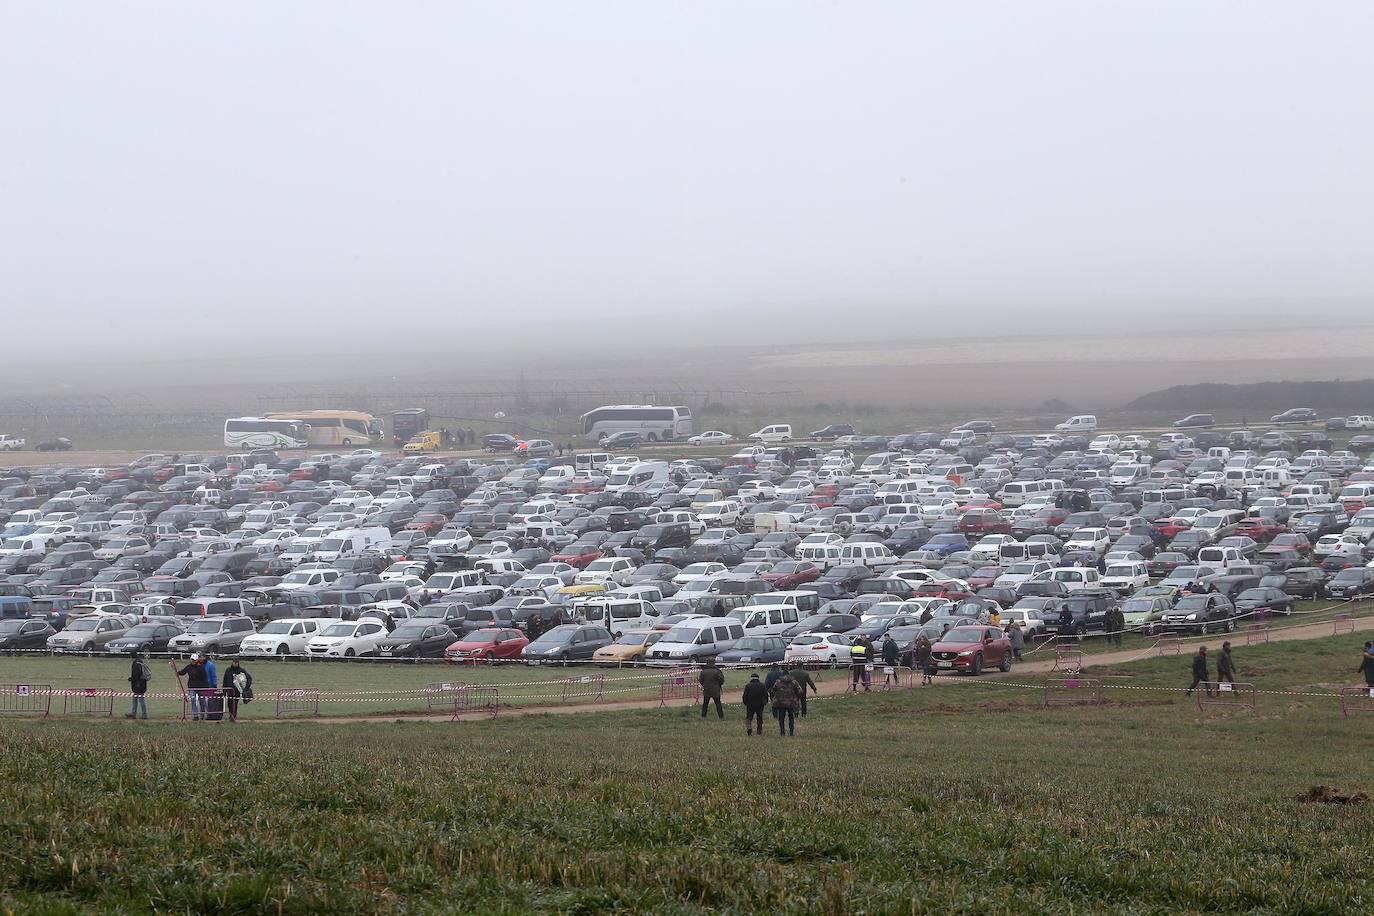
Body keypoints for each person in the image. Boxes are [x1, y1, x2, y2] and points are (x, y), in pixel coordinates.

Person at [177, 653, 211, 720]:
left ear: (197, 660)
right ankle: (195, 716)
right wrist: (178, 672)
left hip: (201, 687)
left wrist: (206, 688)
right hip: (191, 687)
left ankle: (203, 714)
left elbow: (205, 678)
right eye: (192, 660)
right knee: (192, 700)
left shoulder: (201, 668)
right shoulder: (189, 666)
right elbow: (183, 672)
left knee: (202, 701)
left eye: (194, 660)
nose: (193, 661)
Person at [770, 669, 801, 736]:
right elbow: (799, 691)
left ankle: (782, 732)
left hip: (780, 703)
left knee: (781, 719)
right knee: (791, 718)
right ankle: (791, 732)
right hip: (791, 703)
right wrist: (796, 698)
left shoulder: (778, 682)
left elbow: (773, 691)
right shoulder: (794, 682)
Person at [222, 658, 253, 723]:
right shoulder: (228, 670)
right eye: (234, 662)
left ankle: (233, 717)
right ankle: (231, 716)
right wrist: (224, 691)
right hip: (229, 691)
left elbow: (249, 678)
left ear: (238, 663)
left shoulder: (241, 671)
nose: (235, 663)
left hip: (237, 692)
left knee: (234, 704)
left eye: (236, 662)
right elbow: (225, 681)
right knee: (229, 704)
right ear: (232, 662)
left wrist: (246, 688)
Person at [126, 652, 151, 720]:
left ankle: (144, 715)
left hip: (138, 685)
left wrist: (131, 679)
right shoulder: (141, 662)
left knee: (141, 700)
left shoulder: (136, 664)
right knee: (135, 699)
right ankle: (133, 713)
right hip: (142, 684)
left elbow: (136, 675)